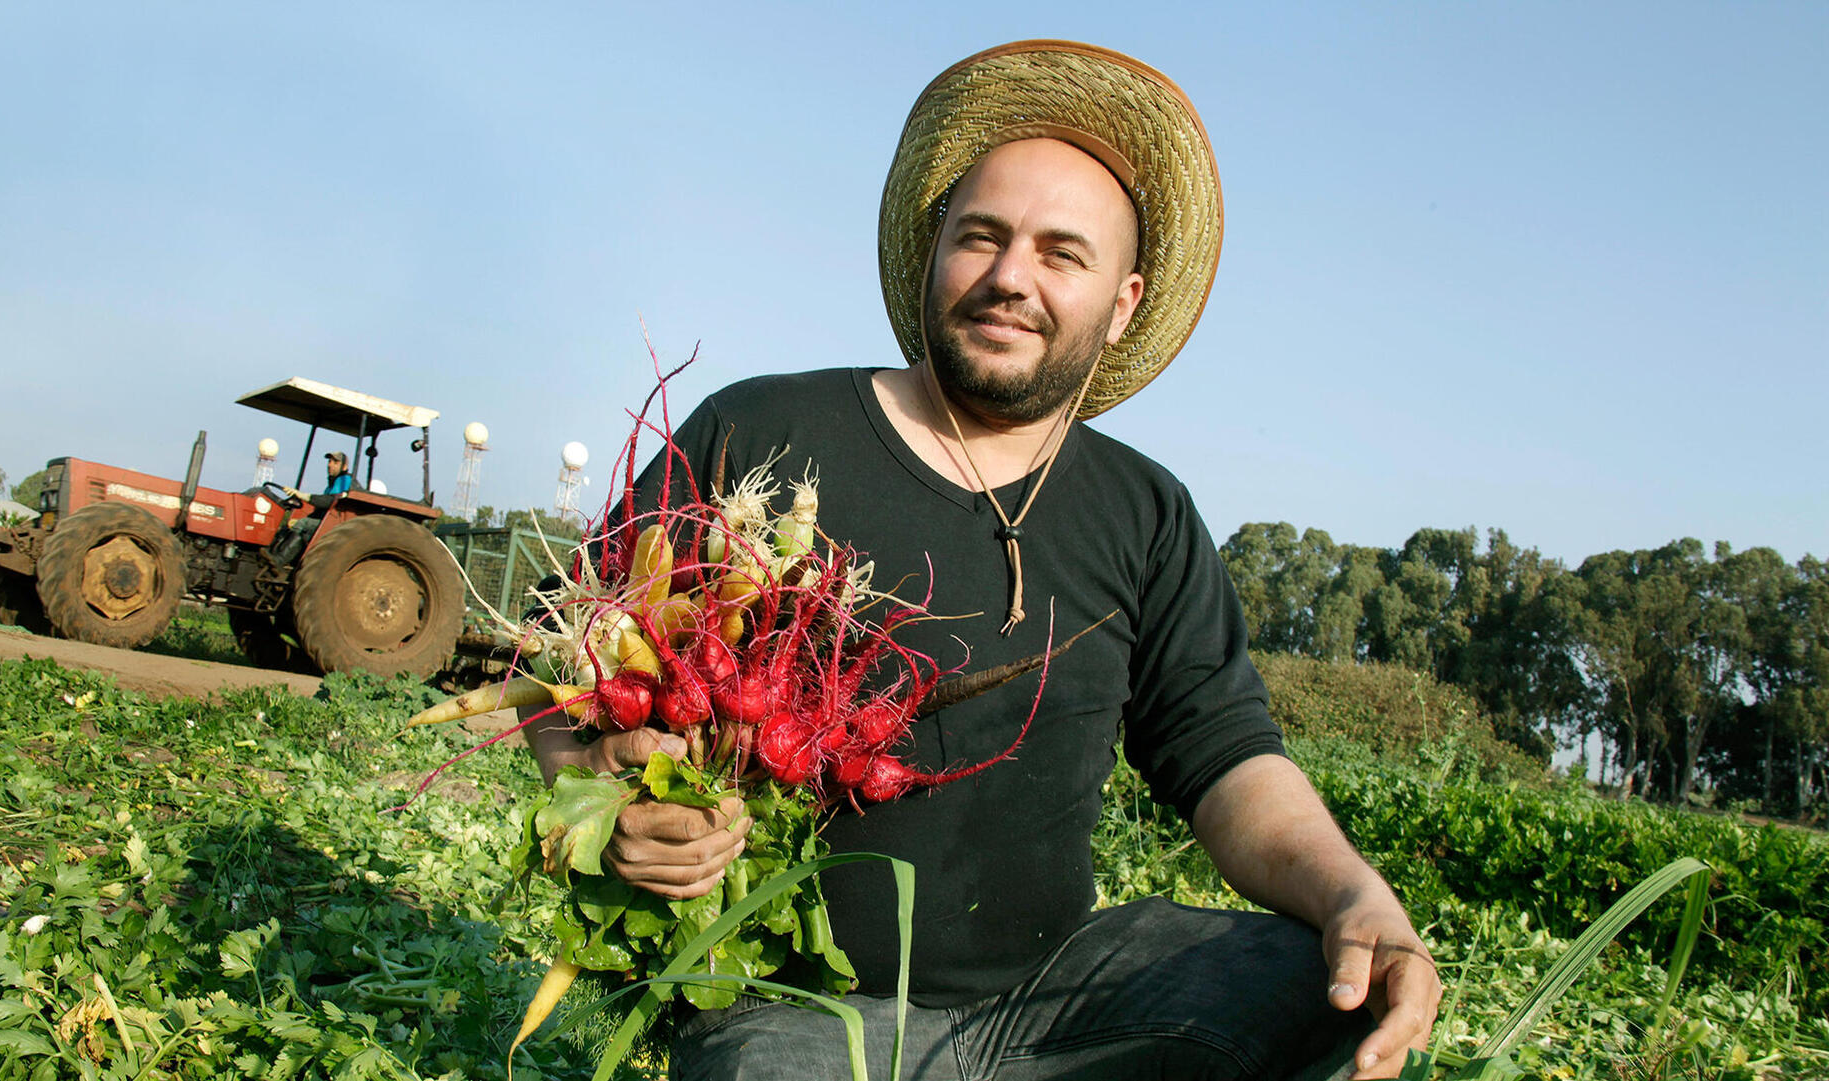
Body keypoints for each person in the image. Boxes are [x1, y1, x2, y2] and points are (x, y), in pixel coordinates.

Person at [526, 41, 1440, 1081]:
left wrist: (1353, 896)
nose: (1011, 278)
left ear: (1125, 301)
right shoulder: (765, 430)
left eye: (1061, 253)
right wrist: (607, 788)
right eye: (981, 238)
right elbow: (566, 659)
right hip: (801, 1010)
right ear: (932, 252)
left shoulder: (1144, 511)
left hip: (1058, 1007)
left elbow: (1225, 754)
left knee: (1320, 982)